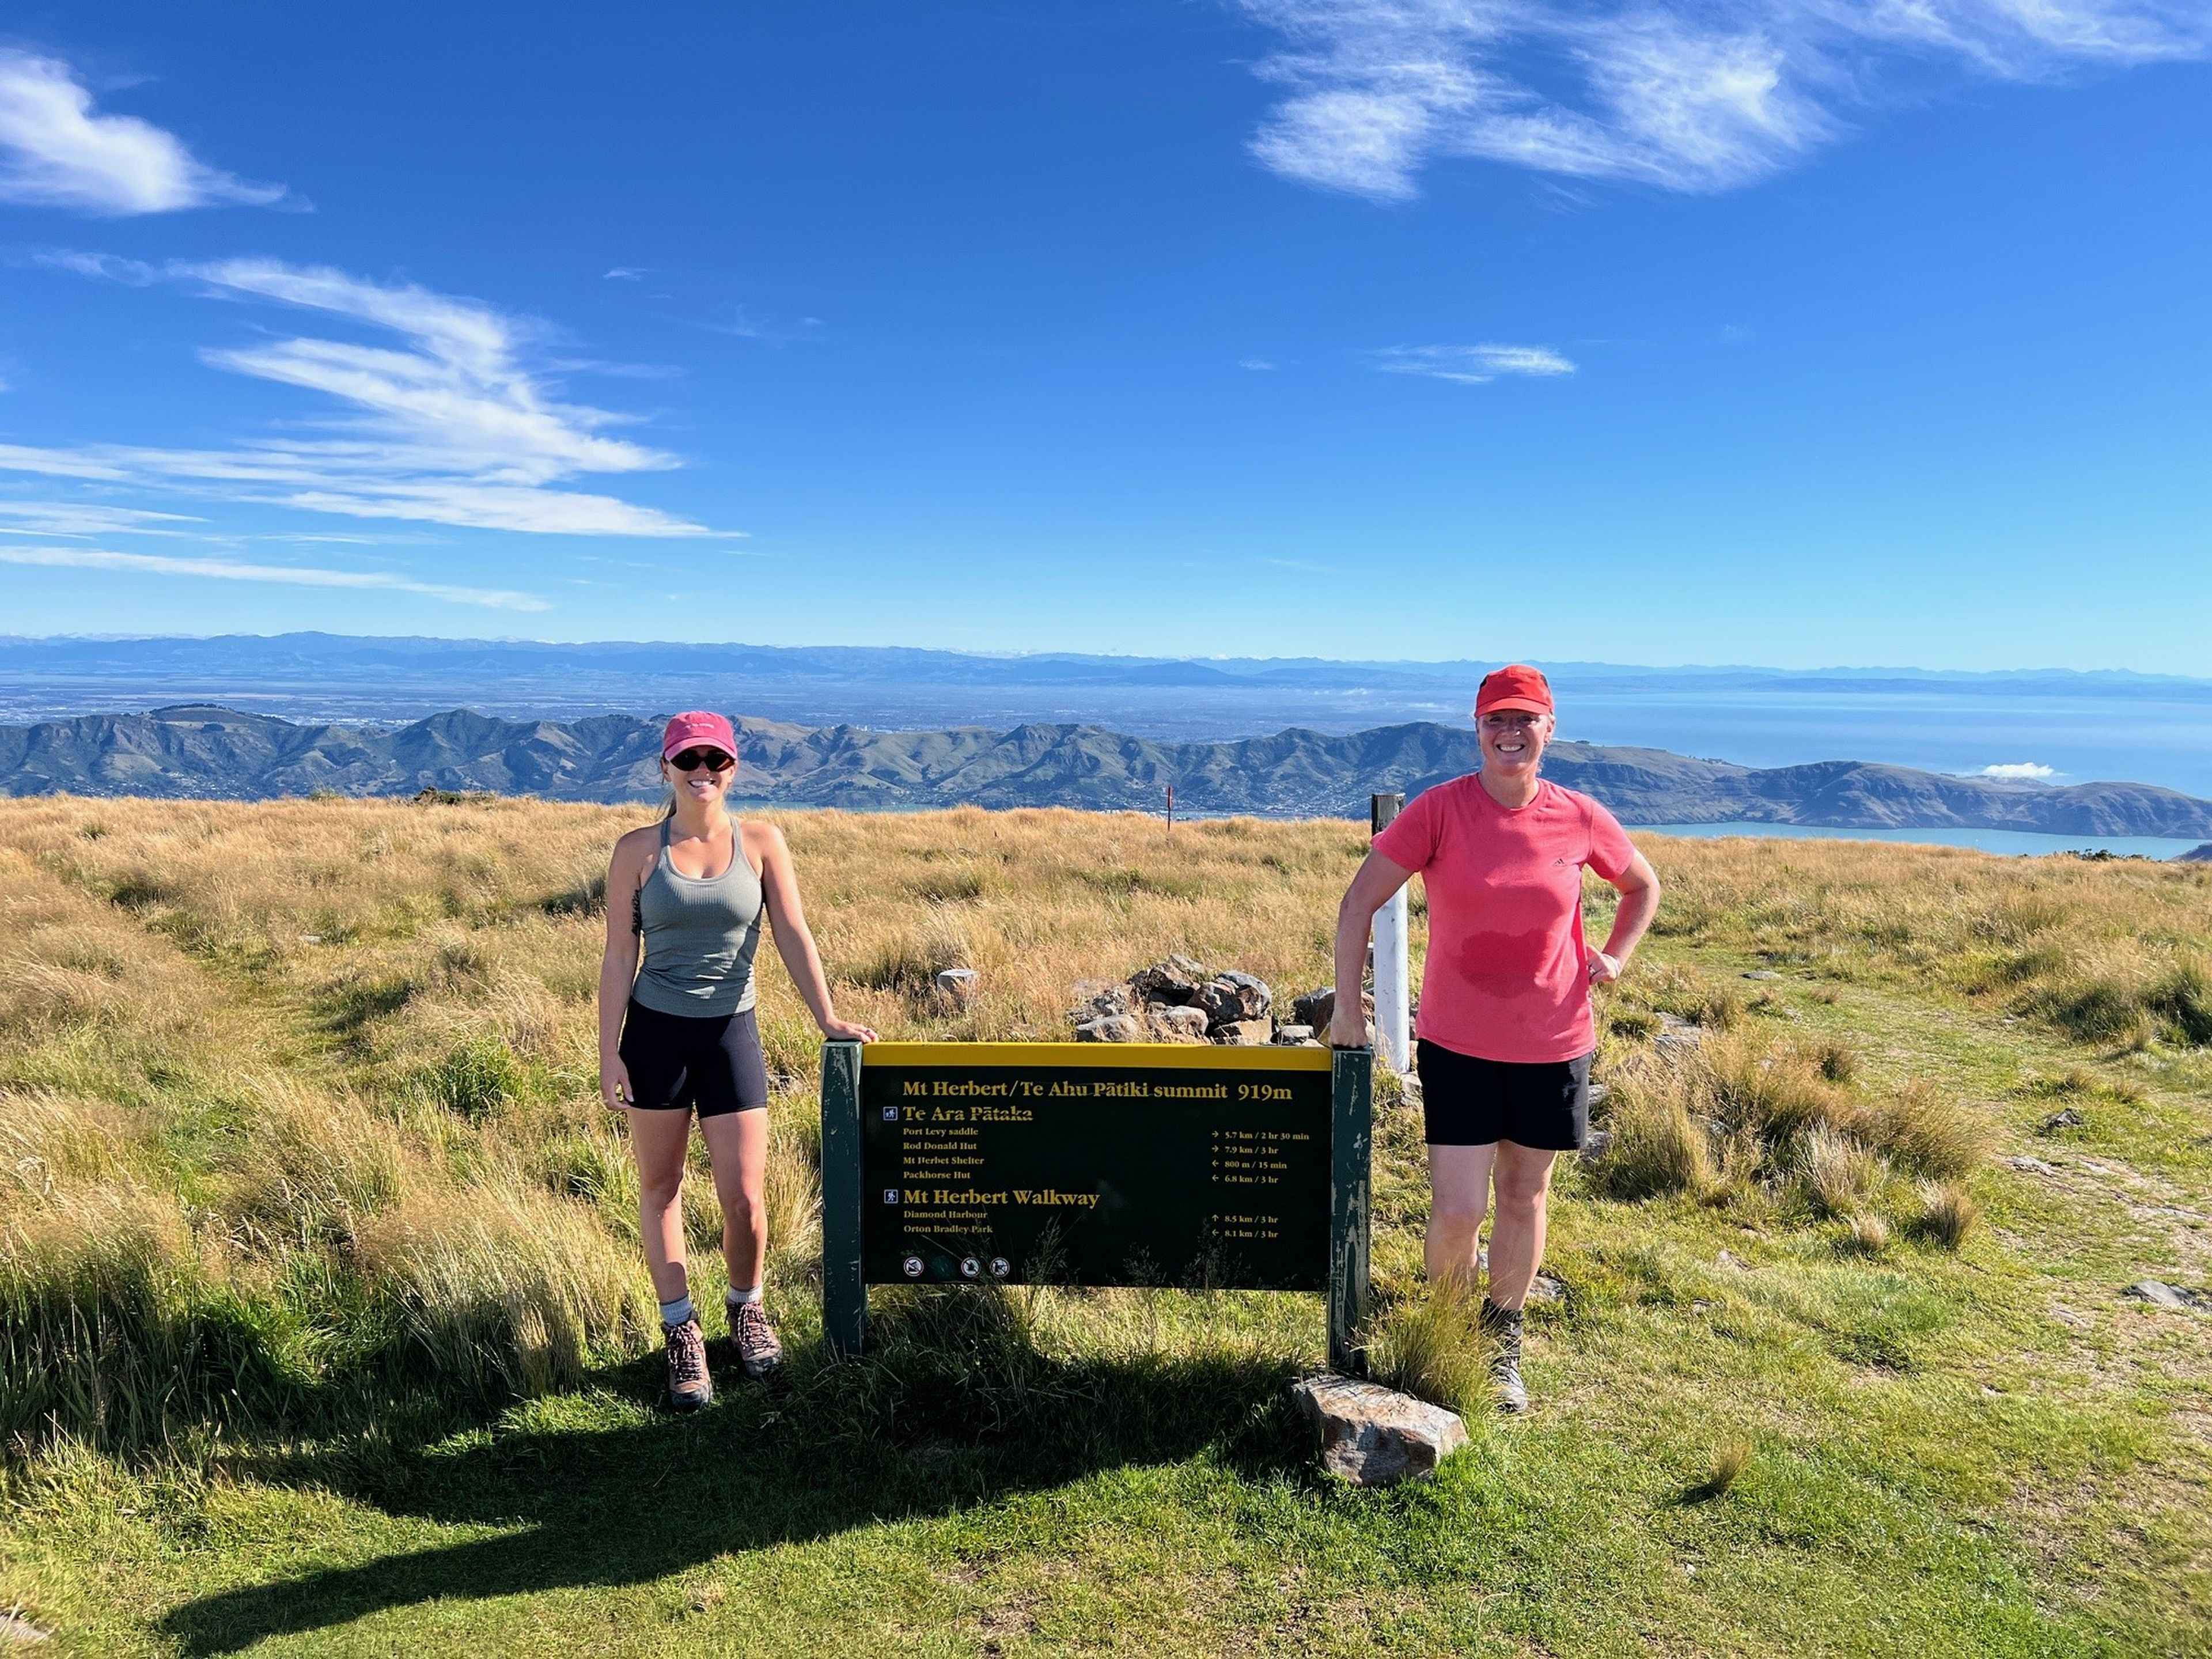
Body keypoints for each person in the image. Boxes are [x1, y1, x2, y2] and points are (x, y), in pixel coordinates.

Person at [1330, 665, 1660, 1413]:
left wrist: (1615, 955)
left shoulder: (1578, 815)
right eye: (1495, 722)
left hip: (1555, 1040)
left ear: (1550, 727)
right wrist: (1351, 1011)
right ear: (1476, 730)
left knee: (1524, 1193)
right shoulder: (1441, 812)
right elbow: (1359, 904)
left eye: (1525, 721)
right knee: (1456, 1210)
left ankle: (1501, 1341)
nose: (1510, 735)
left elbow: (1643, 886)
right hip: (1459, 1043)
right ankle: (1445, 1332)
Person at [598, 710, 876, 1411]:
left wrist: (828, 1017)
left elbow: (791, 931)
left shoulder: (761, 842)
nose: (702, 772)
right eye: (687, 759)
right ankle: (680, 1330)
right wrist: (609, 1054)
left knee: (745, 1199)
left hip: (731, 1035)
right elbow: (616, 956)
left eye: (715, 760)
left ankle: (745, 1308)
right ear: (664, 768)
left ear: (733, 768)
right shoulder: (636, 850)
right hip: (656, 1037)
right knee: (660, 1191)